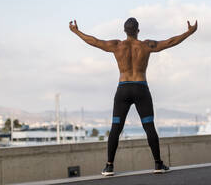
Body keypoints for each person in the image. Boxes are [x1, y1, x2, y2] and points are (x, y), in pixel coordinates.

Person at [69, 17, 198, 176]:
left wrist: (76, 31)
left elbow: (94, 41)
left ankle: (109, 166)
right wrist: (189, 32)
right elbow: (170, 42)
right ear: (138, 30)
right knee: (149, 126)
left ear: (124, 31)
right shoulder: (146, 45)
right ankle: (158, 164)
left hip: (123, 89)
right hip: (141, 89)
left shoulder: (117, 46)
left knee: (116, 128)